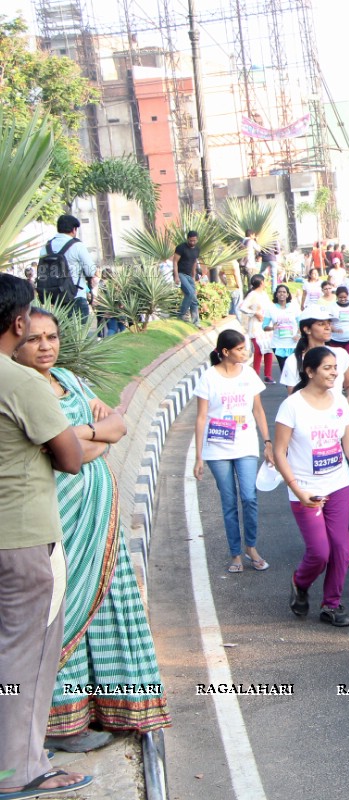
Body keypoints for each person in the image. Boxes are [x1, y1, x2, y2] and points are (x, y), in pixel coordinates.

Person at [13, 307, 169, 752]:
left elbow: (118, 425)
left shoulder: (70, 379)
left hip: (101, 523)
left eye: (52, 336)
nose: (46, 346)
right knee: (64, 612)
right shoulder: (22, 391)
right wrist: (88, 439)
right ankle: (61, 725)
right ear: (15, 344)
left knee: (106, 609)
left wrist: (82, 435)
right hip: (61, 520)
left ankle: (111, 710)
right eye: (35, 340)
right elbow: (67, 453)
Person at [0, 275, 89, 798]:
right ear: (17, 322)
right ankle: (21, 768)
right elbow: (71, 457)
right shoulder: (19, 381)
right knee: (26, 656)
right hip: (25, 538)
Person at [273, 346, 349, 627]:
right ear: (310, 371)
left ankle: (331, 604)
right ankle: (300, 582)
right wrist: (296, 489)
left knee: (341, 548)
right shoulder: (292, 406)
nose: (335, 373)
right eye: (328, 368)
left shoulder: (339, 402)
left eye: (336, 368)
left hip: (338, 483)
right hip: (306, 489)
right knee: (319, 552)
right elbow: (279, 452)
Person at [193, 329, 273, 573]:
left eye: (245, 348)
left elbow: (258, 410)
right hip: (217, 448)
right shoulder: (209, 377)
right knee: (228, 501)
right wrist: (198, 457)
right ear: (225, 352)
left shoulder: (248, 374)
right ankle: (235, 553)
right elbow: (201, 417)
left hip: (245, 443)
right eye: (239, 349)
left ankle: (251, 547)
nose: (245, 352)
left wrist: (267, 442)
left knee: (249, 497)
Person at [279, 308, 349, 405]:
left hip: (337, 416)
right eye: (321, 324)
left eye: (328, 323)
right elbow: (293, 396)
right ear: (307, 329)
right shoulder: (293, 361)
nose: (328, 327)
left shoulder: (341, 354)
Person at [41, 214, 95, 321]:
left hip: (55, 299)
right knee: (79, 335)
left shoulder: (46, 247)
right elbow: (90, 270)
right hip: (76, 296)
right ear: (74, 229)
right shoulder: (77, 245)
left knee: (62, 335)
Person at [237, 274, 274, 383]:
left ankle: (268, 375)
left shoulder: (264, 294)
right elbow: (242, 307)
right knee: (258, 350)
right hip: (256, 327)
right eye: (264, 281)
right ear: (261, 282)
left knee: (268, 350)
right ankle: (255, 375)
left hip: (266, 326)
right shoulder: (252, 294)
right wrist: (254, 313)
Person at [262, 284, 300, 381]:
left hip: (293, 344)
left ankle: (295, 391)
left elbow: (301, 323)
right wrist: (271, 328)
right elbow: (264, 326)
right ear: (276, 294)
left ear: (287, 294)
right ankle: (289, 392)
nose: (282, 294)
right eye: (279, 292)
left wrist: (298, 334)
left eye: (284, 292)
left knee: (295, 370)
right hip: (278, 344)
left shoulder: (294, 307)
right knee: (285, 370)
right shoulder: (271, 309)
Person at [173, 230, 202, 325]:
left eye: (194, 241)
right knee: (189, 293)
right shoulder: (181, 248)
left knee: (194, 299)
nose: (192, 242)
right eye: (190, 240)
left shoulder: (197, 249)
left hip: (190, 275)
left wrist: (193, 276)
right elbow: (175, 262)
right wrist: (176, 276)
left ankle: (196, 322)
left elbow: (194, 262)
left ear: (197, 239)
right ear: (187, 239)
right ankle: (181, 315)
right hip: (181, 273)